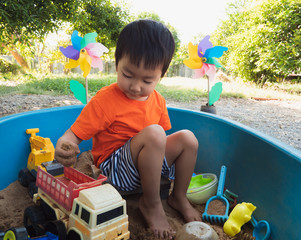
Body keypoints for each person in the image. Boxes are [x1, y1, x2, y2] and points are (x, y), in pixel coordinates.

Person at [55, 19, 201, 239]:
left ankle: (178, 196)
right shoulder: (106, 99)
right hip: (113, 170)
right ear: (116, 65)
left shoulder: (159, 101)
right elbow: (73, 135)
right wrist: (65, 145)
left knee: (188, 139)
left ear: (161, 75)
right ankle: (151, 204)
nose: (135, 86)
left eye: (147, 80)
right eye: (128, 75)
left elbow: (160, 145)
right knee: (155, 133)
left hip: (145, 170)